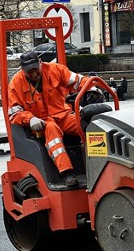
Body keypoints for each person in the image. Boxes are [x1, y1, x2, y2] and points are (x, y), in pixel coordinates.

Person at [8, 51, 87, 187]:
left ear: (40, 63)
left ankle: (96, 165)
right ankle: (67, 173)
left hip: (63, 115)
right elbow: (14, 113)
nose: (33, 74)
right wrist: (30, 119)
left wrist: (92, 89)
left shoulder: (55, 70)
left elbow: (79, 81)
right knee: (52, 130)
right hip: (41, 122)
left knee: (86, 125)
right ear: (22, 70)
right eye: (29, 72)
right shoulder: (16, 83)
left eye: (35, 70)